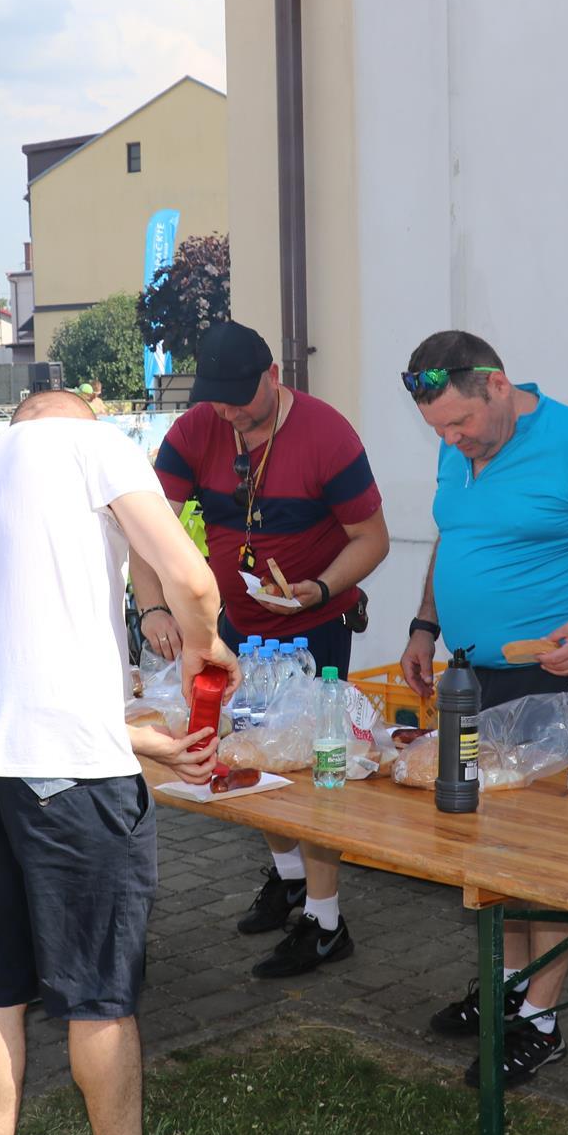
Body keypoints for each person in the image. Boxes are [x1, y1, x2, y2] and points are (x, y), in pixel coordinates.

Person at [0, 388, 238, 1135]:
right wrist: (204, 648)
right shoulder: (92, 445)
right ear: (79, 421)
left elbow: (9, 661)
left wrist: (137, 740)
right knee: (99, 996)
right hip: (67, 772)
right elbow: (193, 581)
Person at [397, 329, 568, 1088]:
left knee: (544, 858)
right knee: (488, 848)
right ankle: (508, 988)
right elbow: (453, 537)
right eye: (440, 431)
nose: (453, 441)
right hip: (470, 680)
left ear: (498, 384)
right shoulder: (458, 446)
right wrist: (424, 626)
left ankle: (541, 1023)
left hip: (554, 683)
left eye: (461, 424)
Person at [133, 320, 390, 979]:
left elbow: (372, 539)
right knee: (249, 754)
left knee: (313, 769)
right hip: (236, 629)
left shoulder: (328, 435)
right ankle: (291, 879)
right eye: (218, 405)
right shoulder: (195, 430)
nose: (231, 418)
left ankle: (327, 923)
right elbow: (146, 532)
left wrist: (319, 587)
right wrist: (154, 606)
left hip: (315, 626)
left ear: (274, 377)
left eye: (242, 405)